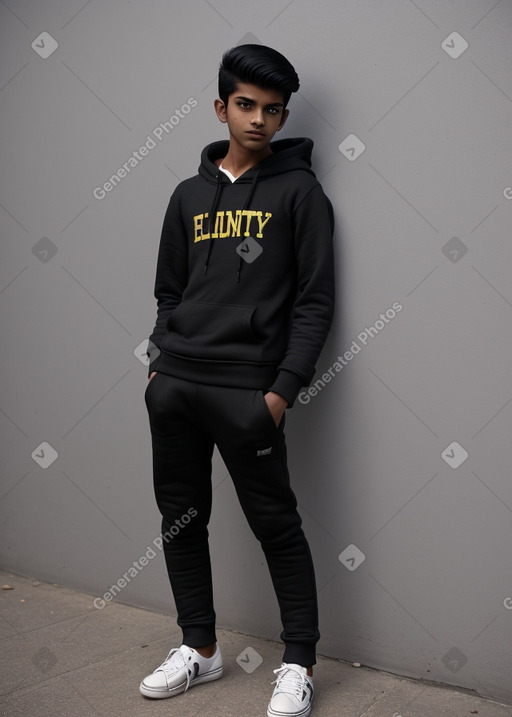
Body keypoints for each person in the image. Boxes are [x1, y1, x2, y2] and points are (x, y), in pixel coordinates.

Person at [141, 43, 335, 717]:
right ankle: (199, 647)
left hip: (248, 392)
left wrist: (280, 391)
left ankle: (298, 662)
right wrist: (160, 366)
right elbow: (168, 290)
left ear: (282, 116)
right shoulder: (187, 195)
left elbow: (315, 301)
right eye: (246, 105)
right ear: (222, 107)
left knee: (276, 525)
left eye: (272, 110)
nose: (258, 120)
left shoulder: (300, 193)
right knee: (180, 521)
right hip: (176, 387)